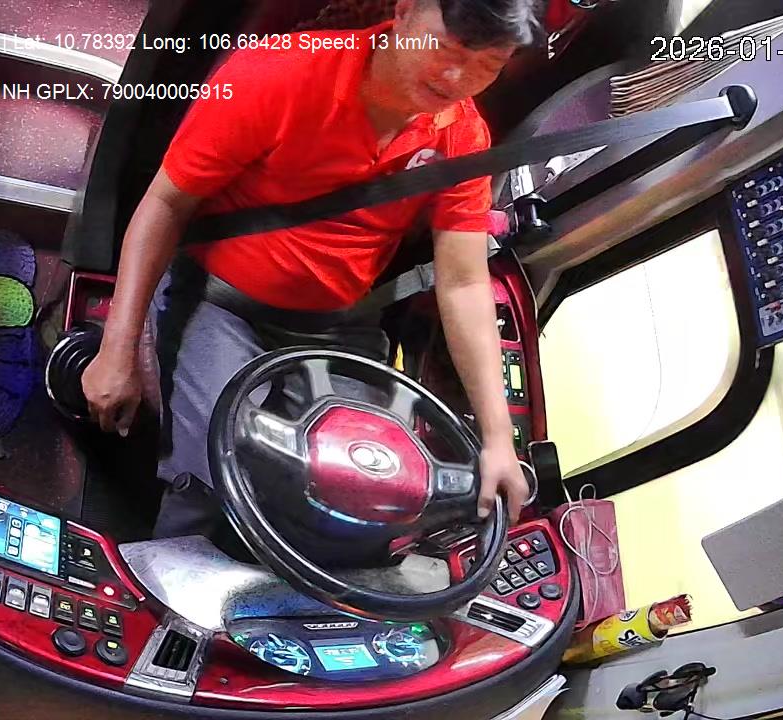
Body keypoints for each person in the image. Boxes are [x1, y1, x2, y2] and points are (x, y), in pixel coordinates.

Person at [82, 0, 538, 540]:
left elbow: (463, 284)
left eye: (488, 64)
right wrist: (116, 351)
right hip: (219, 302)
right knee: (217, 478)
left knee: (362, 491)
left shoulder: (462, 138)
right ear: (405, 10)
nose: (457, 79)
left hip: (338, 324)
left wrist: (498, 441)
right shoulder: (277, 75)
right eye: (445, 48)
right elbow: (164, 205)